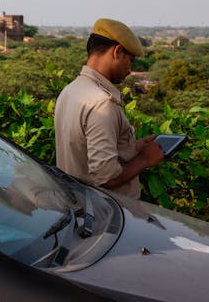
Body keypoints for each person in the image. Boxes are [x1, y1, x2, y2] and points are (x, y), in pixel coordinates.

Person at [54, 18, 164, 199]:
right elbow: (107, 177)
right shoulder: (102, 104)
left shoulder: (70, 90)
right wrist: (145, 159)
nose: (130, 69)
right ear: (118, 52)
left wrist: (133, 149)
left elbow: (84, 152)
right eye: (130, 60)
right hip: (107, 216)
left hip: (77, 205)